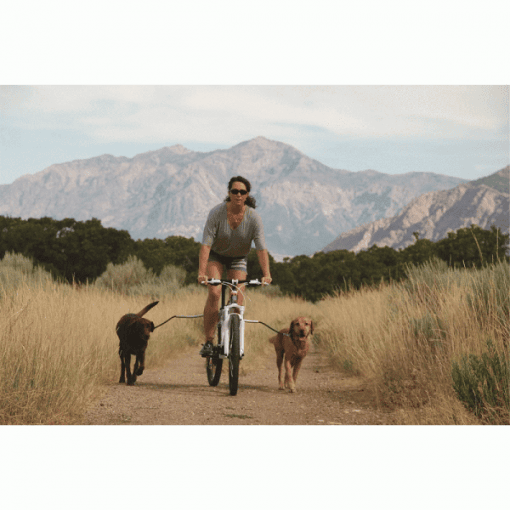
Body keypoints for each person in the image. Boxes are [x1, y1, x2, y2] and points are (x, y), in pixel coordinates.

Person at [198, 176, 272, 356]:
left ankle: (234, 339)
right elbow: (206, 245)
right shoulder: (217, 213)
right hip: (217, 256)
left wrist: (266, 274)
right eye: (235, 191)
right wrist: (202, 273)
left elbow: (261, 249)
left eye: (242, 192)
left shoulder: (254, 218)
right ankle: (208, 341)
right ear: (229, 193)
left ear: (247, 195)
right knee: (215, 292)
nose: (238, 195)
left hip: (238, 258)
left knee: (238, 301)